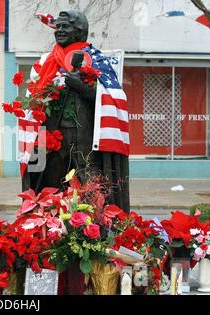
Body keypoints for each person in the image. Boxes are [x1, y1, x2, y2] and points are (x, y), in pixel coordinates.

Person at [21, 11, 130, 212]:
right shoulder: (46, 61)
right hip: (52, 138)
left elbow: (113, 98)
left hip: (84, 139)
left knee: (89, 188)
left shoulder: (96, 59)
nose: (59, 31)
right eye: (58, 27)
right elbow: (32, 100)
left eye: (66, 27)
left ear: (79, 31)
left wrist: (81, 86)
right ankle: (48, 229)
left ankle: (90, 233)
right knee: (50, 187)